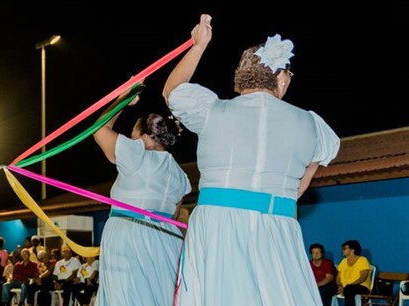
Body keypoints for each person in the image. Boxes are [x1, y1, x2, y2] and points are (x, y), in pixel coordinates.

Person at [163, 14, 340, 306]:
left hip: (217, 224)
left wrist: (198, 46)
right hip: (278, 227)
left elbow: (172, 91)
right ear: (281, 78)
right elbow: (300, 187)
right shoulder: (313, 125)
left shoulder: (211, 110)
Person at [91, 85, 190, 306]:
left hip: (129, 235)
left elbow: (99, 129)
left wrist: (123, 99)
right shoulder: (179, 175)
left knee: (128, 296)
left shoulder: (137, 155)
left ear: (146, 137)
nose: (130, 138)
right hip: (167, 239)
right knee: (161, 296)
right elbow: (173, 214)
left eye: (133, 134)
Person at [336, 240, 372, 306]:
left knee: (349, 289)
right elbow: (338, 278)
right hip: (344, 287)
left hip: (361, 286)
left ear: (352, 250)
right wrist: (341, 286)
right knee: (328, 288)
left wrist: (346, 287)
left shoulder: (363, 260)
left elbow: (362, 278)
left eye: (345, 248)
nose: (342, 250)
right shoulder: (343, 262)